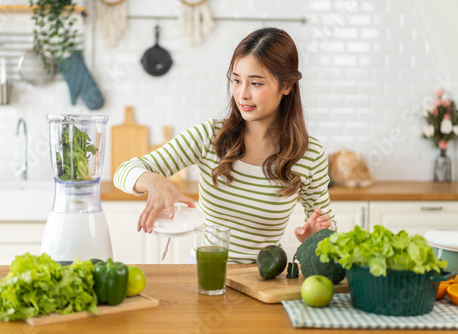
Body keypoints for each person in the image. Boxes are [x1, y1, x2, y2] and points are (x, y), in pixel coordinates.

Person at [114, 27, 336, 264]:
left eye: (256, 83)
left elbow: (328, 231)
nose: (242, 95)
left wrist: (316, 239)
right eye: (236, 80)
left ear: (287, 86)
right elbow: (124, 171)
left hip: (264, 278)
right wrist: (151, 180)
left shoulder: (308, 154)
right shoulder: (210, 136)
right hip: (205, 273)